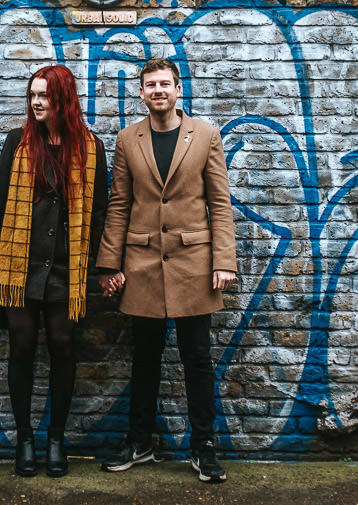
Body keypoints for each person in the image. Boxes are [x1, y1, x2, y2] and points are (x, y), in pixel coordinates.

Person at [0, 64, 108, 478]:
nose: (36, 102)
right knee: (22, 346)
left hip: (67, 267)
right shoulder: (18, 143)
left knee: (63, 346)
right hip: (18, 264)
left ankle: (55, 439)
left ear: (64, 99)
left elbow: (99, 215)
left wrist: (105, 266)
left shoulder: (91, 148)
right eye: (32, 95)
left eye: (44, 95)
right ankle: (25, 439)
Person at [96, 58, 237, 484]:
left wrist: (224, 261)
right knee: (144, 359)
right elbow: (120, 203)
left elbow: (220, 202)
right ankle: (139, 442)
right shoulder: (127, 139)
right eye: (150, 85)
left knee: (196, 359)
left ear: (179, 90)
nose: (157, 90)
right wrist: (108, 264)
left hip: (194, 264)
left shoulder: (206, 135)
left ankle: (203, 447)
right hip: (141, 265)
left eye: (164, 84)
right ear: (141, 93)